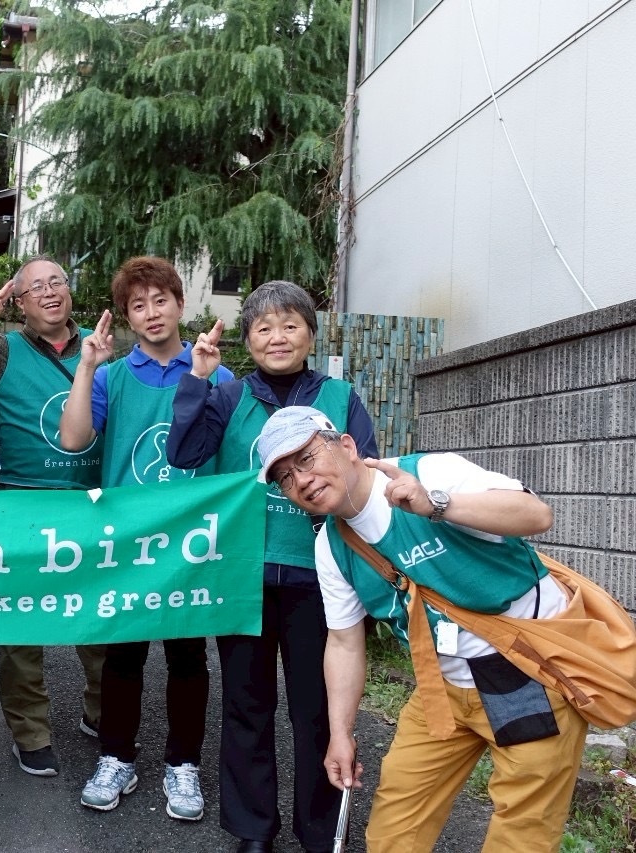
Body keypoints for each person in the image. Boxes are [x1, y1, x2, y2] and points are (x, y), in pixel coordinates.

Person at [255, 406, 586, 853]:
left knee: (522, 831)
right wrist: (340, 734)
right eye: (285, 477)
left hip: (526, 671)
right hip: (441, 684)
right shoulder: (331, 546)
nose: (302, 480)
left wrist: (437, 505)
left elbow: (536, 514)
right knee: (396, 826)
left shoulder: (430, 472)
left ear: (347, 446)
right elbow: (345, 643)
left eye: (307, 458)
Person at [166, 280, 378, 853]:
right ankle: (252, 829)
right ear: (248, 340)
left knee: (318, 709)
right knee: (246, 706)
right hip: (243, 575)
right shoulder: (229, 395)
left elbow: (364, 474)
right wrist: (197, 379)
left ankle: (320, 831)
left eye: (290, 325)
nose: (277, 337)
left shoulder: (339, 397)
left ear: (311, 334)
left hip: (321, 578)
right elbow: (183, 454)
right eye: (263, 328)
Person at [58, 257, 233, 821]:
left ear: (181, 304)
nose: (152, 313)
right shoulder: (112, 376)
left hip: (193, 541)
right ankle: (116, 757)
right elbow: (73, 439)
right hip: (128, 541)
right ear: (126, 317)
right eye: (138, 305)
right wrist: (86, 366)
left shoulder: (214, 371)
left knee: (188, 654)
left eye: (161, 300)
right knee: (123, 653)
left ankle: (184, 764)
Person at [0, 256, 105, 778]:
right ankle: (31, 733)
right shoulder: (3, 349)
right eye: (36, 287)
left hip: (91, 504)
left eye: (57, 282)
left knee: (103, 621)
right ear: (20, 303)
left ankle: (102, 711)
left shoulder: (98, 346)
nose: (50, 292)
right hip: (21, 506)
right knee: (22, 630)